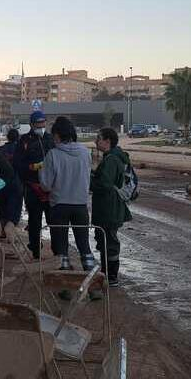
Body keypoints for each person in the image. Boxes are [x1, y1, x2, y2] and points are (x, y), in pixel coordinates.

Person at [39, 117, 95, 271]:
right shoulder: (85, 152)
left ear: (58, 134)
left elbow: (45, 185)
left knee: (61, 248)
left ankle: (64, 286)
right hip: (81, 206)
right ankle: (93, 283)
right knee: (84, 246)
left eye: (54, 134)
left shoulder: (53, 154)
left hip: (59, 206)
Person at [91, 128, 132, 286]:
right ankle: (106, 273)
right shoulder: (113, 157)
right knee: (106, 240)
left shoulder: (111, 160)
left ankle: (111, 276)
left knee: (109, 241)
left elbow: (105, 184)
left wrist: (89, 181)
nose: (96, 141)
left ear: (107, 141)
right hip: (111, 206)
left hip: (109, 207)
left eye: (98, 138)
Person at [14, 110, 55, 259]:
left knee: (54, 221)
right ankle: (36, 251)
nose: (41, 125)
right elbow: (17, 163)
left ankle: (57, 251)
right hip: (32, 187)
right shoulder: (24, 141)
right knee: (34, 221)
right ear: (32, 124)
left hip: (51, 188)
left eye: (43, 122)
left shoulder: (51, 139)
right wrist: (31, 167)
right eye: (38, 123)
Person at [0, 128, 23, 241]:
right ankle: (10, 231)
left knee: (2, 208)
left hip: (0, 182)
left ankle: (2, 231)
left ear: (8, 137)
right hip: (16, 182)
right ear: (18, 138)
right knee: (14, 209)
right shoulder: (21, 150)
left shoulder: (0, 150)